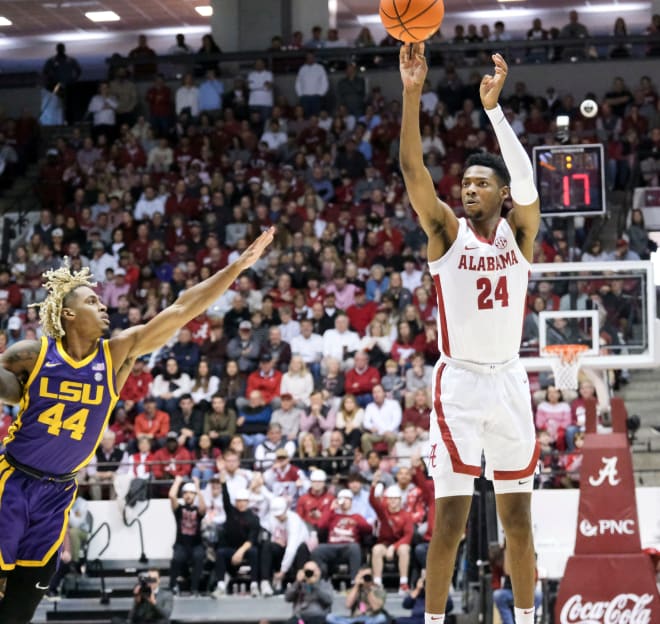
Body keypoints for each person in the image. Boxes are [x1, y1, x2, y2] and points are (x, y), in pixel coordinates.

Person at [0, 227, 274, 622]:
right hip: (13, 483)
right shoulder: (32, 354)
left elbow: (182, 310)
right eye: (93, 301)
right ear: (68, 313)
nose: (104, 305)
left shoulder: (116, 356)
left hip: (58, 493)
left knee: (18, 612)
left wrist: (237, 267)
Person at [399, 45, 540, 624]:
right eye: (466, 183)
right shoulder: (445, 232)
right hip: (457, 385)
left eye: (481, 183)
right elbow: (412, 170)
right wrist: (412, 93)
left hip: (509, 382)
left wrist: (495, 112)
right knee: (450, 522)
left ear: (501, 194)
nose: (469, 190)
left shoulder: (521, 234)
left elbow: (527, 184)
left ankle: (528, 619)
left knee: (519, 523)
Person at [168, 476, 206, 596]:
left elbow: (203, 508)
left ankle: (194, 588)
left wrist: (198, 489)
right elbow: (171, 496)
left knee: (199, 557)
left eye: (191, 493)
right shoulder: (179, 509)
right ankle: (172, 586)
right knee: (176, 559)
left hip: (196, 544)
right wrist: (177, 482)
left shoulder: (198, 509)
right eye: (186, 493)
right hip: (181, 544)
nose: (188, 495)